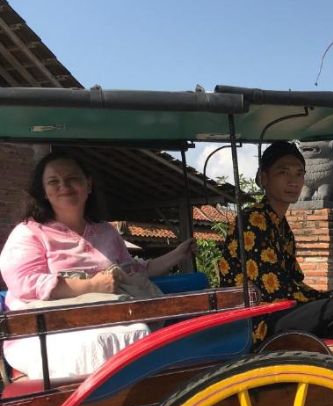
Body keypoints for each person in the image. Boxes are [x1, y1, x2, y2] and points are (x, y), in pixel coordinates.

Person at [0, 151, 194, 379]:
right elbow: (25, 282)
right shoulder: (29, 232)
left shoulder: (106, 232)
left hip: (109, 319)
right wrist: (92, 285)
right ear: (44, 191)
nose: (64, 186)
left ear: (88, 185)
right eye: (54, 181)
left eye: (72, 178)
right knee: (108, 341)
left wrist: (178, 254)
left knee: (140, 333)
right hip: (45, 333)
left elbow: (133, 271)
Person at [217, 141, 333, 370]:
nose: (294, 181)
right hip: (259, 320)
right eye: (283, 172)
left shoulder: (282, 227)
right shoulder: (252, 221)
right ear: (264, 178)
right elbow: (274, 290)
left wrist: (328, 296)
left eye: (299, 174)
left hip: (280, 309)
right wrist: (330, 300)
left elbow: (293, 282)